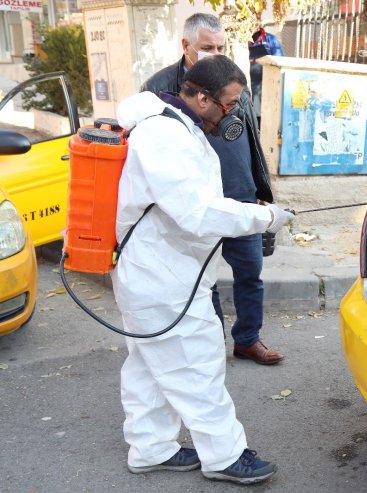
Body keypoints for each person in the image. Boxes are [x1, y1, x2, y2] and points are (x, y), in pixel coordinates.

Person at [112, 55, 294, 484]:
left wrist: (254, 211)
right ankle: (224, 456)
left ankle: (150, 448)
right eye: (228, 104)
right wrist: (262, 218)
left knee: (148, 367)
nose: (231, 113)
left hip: (158, 271)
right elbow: (197, 212)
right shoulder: (164, 134)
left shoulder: (175, 126)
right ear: (200, 95)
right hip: (163, 277)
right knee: (197, 364)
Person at [143, 13, 285, 365]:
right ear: (186, 46)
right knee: (204, 279)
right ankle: (213, 343)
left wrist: (260, 187)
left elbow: (250, 135)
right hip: (197, 204)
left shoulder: (234, 80)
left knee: (250, 275)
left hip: (242, 196)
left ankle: (248, 339)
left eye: (222, 46)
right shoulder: (159, 87)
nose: (217, 53)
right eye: (208, 47)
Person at [248, 22, 283, 127]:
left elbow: (278, 62)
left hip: (265, 85)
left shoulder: (270, 40)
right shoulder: (240, 42)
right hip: (249, 84)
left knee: (263, 116)